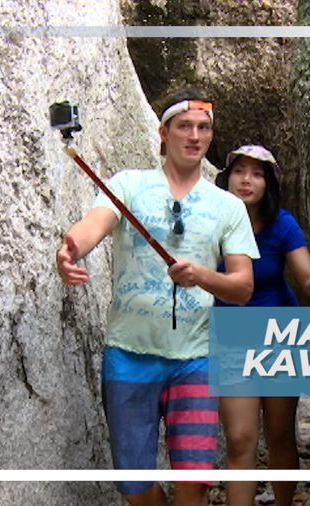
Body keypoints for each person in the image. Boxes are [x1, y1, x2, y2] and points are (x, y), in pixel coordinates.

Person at [56, 90, 260, 506]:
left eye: (203, 128)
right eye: (185, 126)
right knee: (134, 485)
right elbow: (94, 224)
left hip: (196, 359)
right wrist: (70, 250)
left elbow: (242, 287)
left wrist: (202, 275)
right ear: (163, 133)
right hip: (129, 354)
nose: (195, 135)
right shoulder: (129, 184)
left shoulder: (228, 207)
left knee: (193, 483)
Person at [215, 144, 310, 506]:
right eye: (240, 171)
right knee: (240, 437)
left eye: (257, 174)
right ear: (226, 179)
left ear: (268, 184)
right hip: (231, 337)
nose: (246, 180)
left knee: (279, 433)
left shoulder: (281, 224)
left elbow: (308, 281)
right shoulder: (210, 223)